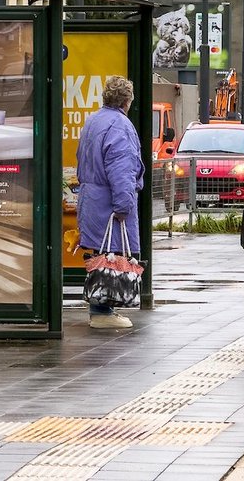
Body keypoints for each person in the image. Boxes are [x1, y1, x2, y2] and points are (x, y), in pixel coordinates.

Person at [76, 75, 145, 329]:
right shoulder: (120, 126)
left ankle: (101, 309)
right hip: (109, 201)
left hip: (91, 198)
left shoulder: (93, 121)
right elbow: (122, 170)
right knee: (111, 257)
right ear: (128, 100)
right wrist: (124, 206)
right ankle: (102, 310)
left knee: (99, 256)